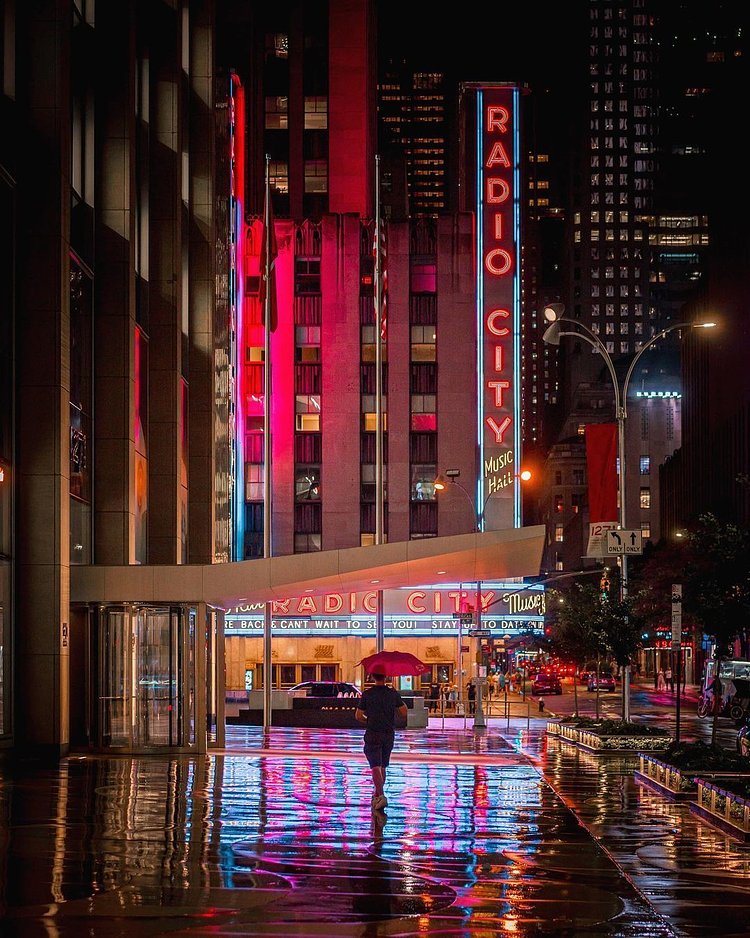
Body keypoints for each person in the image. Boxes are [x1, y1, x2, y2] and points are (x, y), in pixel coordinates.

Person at [355, 669, 408, 812]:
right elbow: (404, 712)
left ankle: (381, 796)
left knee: (375, 765)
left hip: (373, 732)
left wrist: (369, 719)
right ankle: (377, 795)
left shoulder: (368, 694)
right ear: (386, 677)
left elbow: (358, 715)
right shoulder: (392, 693)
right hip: (388, 733)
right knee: (383, 765)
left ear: (372, 676)